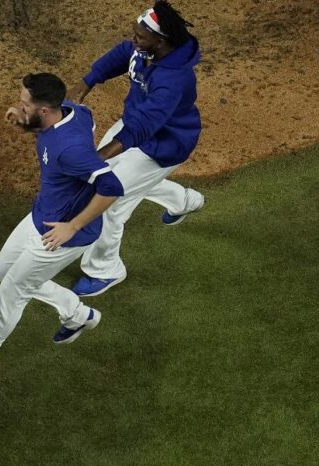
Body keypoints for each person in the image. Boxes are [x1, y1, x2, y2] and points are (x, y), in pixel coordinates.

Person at [0, 73, 124, 386]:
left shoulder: (70, 149)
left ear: (44, 110)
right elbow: (59, 132)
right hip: (41, 215)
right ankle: (76, 314)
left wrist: (72, 227)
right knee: (3, 271)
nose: (19, 106)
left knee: (12, 291)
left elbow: (112, 187)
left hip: (60, 235)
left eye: (24, 104)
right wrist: (24, 124)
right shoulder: (75, 111)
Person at [67, 0, 205, 297]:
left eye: (140, 36)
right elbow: (123, 53)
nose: (134, 39)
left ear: (161, 40)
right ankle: (183, 200)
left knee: (109, 200)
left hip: (164, 144)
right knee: (117, 179)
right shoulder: (148, 50)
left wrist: (100, 156)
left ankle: (105, 270)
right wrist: (86, 82)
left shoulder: (174, 78)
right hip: (134, 126)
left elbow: (144, 126)